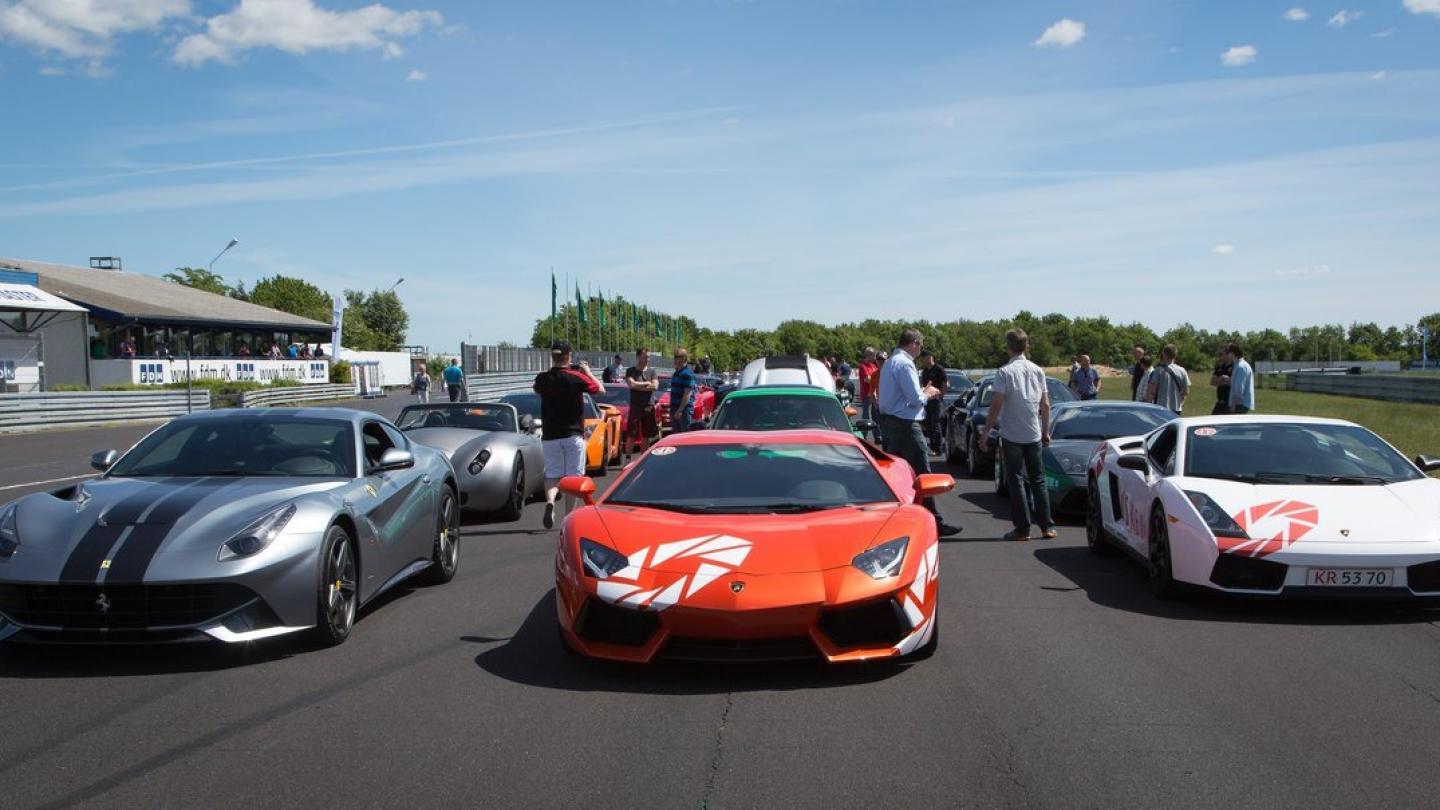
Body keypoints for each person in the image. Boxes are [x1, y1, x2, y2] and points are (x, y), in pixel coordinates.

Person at [878, 329, 960, 537]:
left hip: (890, 422)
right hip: (905, 424)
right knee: (923, 475)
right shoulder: (905, 364)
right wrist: (928, 393)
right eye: (920, 346)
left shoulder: (889, 362)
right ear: (913, 344)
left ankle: (894, 521)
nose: (920, 351)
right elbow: (914, 399)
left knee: (894, 475)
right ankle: (934, 522)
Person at [980, 328, 1055, 542]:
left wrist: (986, 432)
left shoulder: (1004, 372)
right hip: (1033, 432)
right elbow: (1046, 405)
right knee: (1038, 480)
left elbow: (996, 404)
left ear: (1008, 347)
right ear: (1026, 346)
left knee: (1016, 480)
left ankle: (1023, 528)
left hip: (1012, 433)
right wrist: (1045, 430)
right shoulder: (1038, 370)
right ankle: (1047, 526)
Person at [533, 342, 604, 529]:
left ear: (552, 357)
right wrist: (587, 372)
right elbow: (600, 390)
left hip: (550, 434)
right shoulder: (576, 377)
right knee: (573, 478)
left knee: (553, 474)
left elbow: (538, 388)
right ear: (569, 356)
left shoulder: (542, 379)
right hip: (572, 434)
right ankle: (569, 518)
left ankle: (550, 503)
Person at [625, 347, 660, 459]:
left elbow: (655, 386)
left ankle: (642, 459)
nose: (648, 359)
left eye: (648, 357)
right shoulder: (630, 371)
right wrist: (646, 384)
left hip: (648, 407)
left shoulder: (652, 371)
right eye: (646, 357)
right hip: (636, 407)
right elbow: (632, 385)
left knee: (646, 436)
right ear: (638, 357)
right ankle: (628, 458)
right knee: (631, 435)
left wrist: (638, 385)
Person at [917, 350, 948, 454]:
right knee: (928, 424)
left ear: (931, 357)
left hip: (936, 400)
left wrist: (941, 395)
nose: (925, 359)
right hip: (927, 400)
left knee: (936, 424)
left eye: (927, 356)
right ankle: (932, 447)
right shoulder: (925, 371)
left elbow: (945, 383)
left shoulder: (939, 369)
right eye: (923, 357)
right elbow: (922, 385)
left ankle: (938, 448)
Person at [1147, 344, 1191, 415]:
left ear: (1164, 354)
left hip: (1160, 407)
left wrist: (1148, 405)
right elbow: (1186, 391)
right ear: (1175, 355)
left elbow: (1152, 391)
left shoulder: (1158, 370)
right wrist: (1181, 402)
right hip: (1176, 408)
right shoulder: (1182, 370)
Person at [669, 348, 698, 432]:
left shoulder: (687, 374)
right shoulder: (676, 373)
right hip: (674, 408)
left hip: (684, 410)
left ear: (684, 358)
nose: (675, 359)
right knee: (676, 436)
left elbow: (687, 394)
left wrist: (680, 410)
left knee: (685, 435)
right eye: (674, 357)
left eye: (677, 357)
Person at [1226, 342, 1255, 414]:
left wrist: (1233, 405)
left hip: (1240, 405)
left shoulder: (1240, 367)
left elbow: (1239, 389)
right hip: (1240, 404)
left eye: (1227, 351)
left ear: (1233, 353)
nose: (1226, 354)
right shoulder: (1239, 365)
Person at [1210, 347, 1234, 415]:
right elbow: (1212, 382)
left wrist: (1226, 381)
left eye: (1221, 354)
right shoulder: (1219, 367)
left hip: (1230, 401)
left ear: (1228, 355)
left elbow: (1235, 383)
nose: (1220, 357)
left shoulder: (1234, 367)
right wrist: (1221, 380)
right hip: (1220, 400)